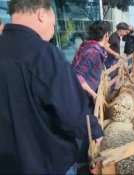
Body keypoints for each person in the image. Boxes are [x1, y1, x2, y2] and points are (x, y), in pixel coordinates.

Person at [0, 0, 103, 174]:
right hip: (48, 162)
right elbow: (71, 112)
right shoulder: (45, 55)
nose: (53, 30)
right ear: (42, 14)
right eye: (54, 24)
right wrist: (94, 129)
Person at [72, 20, 110, 102]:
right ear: (106, 34)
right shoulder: (93, 51)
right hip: (84, 96)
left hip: (87, 92)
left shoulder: (91, 46)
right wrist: (93, 94)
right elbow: (77, 75)